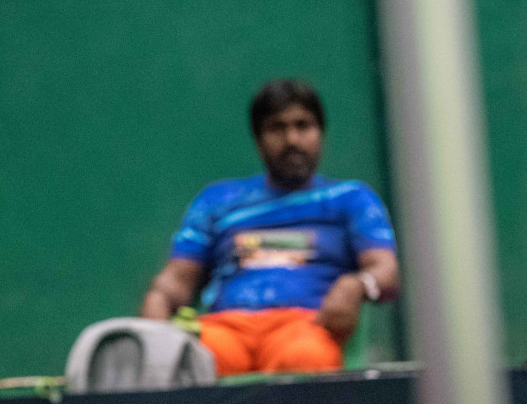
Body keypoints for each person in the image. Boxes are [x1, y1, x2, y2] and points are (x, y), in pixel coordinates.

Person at [139, 79, 400, 375]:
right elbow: (177, 278)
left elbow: (386, 272)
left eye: (303, 126)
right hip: (225, 330)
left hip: (304, 328)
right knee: (190, 363)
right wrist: (157, 300)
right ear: (258, 138)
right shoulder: (218, 201)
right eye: (277, 128)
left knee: (306, 360)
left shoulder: (351, 199)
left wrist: (357, 285)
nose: (292, 140)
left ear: (321, 133)